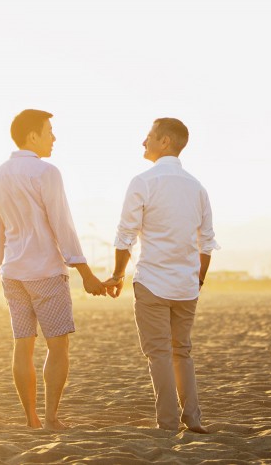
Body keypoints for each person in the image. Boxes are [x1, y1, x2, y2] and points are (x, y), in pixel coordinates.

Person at [0, 108, 107, 430]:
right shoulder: (46, 172)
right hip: (45, 272)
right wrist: (86, 273)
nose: (54, 137)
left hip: (12, 272)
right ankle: (52, 417)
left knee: (23, 345)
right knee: (58, 346)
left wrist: (5, 265)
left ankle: (31, 419)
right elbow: (62, 225)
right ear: (32, 136)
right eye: (49, 131)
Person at [103, 117, 218, 433]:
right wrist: (198, 279)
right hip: (186, 287)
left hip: (152, 282)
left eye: (149, 136)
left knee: (159, 355)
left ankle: (168, 423)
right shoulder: (197, 187)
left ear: (165, 141)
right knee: (182, 352)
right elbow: (206, 241)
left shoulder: (143, 182)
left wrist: (117, 274)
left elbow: (125, 234)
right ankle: (192, 418)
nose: (144, 142)